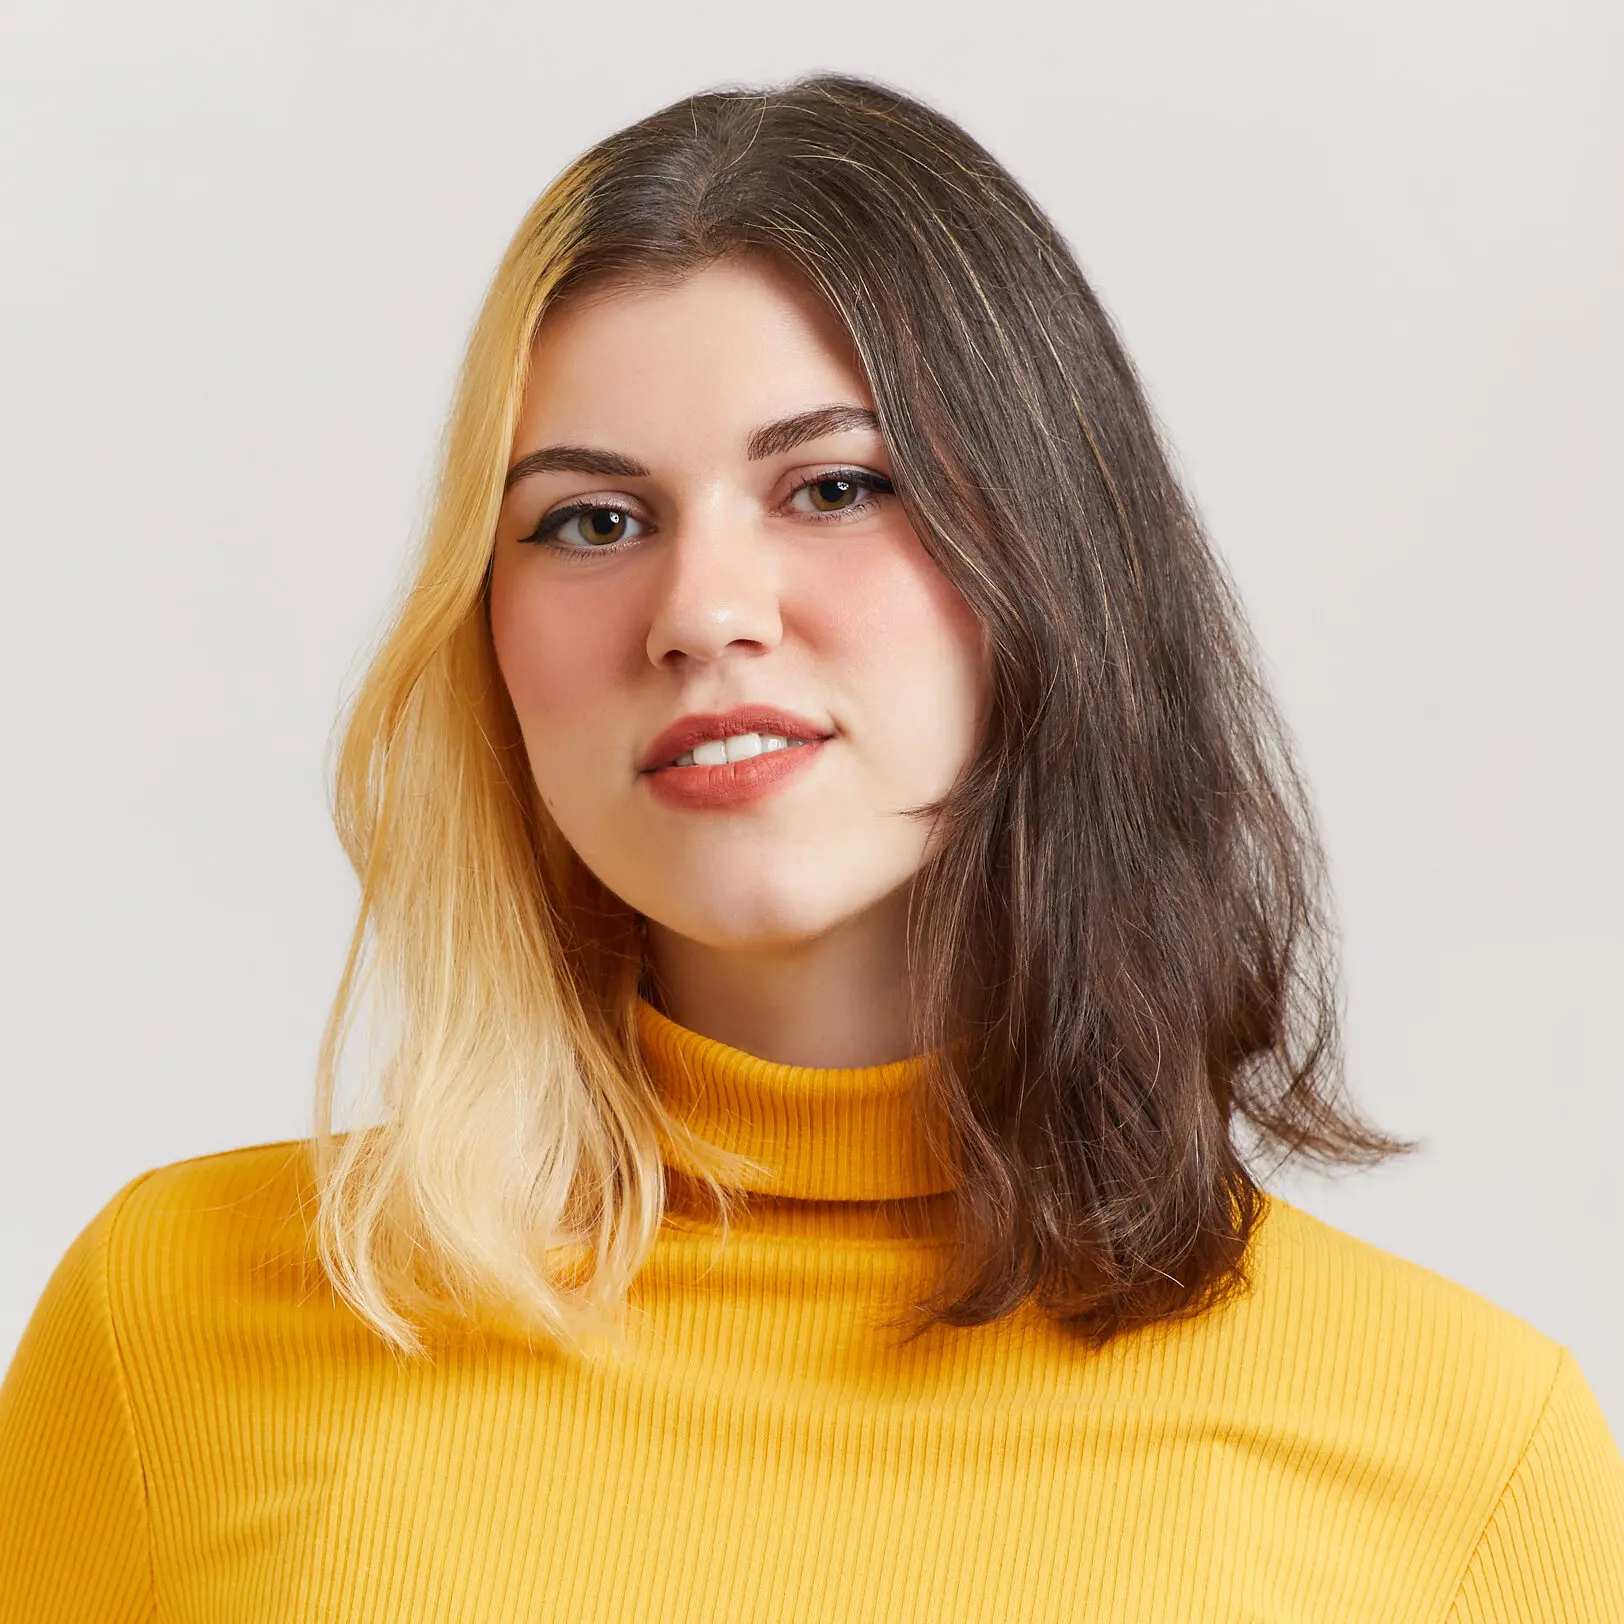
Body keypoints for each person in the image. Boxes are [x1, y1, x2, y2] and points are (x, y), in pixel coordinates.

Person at [2, 71, 1620, 1623]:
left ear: (1056, 558)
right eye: (591, 521)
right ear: (482, 637)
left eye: (837, 486)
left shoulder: (1467, 1458)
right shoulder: (170, 1336)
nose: (704, 611)